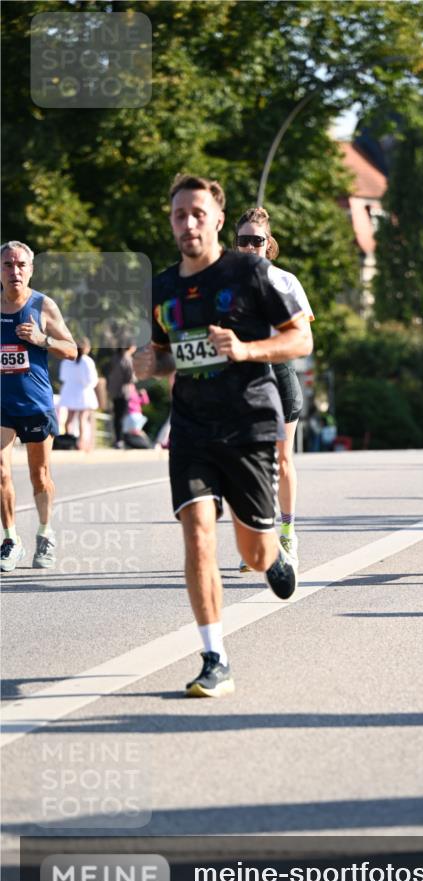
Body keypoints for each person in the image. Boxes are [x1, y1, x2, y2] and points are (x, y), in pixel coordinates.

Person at [133, 174, 312, 697]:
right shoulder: (162, 287)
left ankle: (273, 555)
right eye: (178, 215)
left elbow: (300, 337)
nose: (187, 224)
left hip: (248, 423)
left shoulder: (251, 273)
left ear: (216, 220)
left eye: (197, 214)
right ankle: (215, 656)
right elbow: (165, 352)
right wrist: (151, 361)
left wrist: (246, 349)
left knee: (253, 554)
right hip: (190, 426)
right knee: (197, 534)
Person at [234, 206, 314, 571]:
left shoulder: (285, 281)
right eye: (244, 241)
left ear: (269, 244)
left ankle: (287, 535)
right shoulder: (223, 286)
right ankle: (257, 538)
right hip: (241, 378)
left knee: (281, 460)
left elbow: (303, 339)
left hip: (278, 374)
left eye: (257, 241)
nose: (250, 247)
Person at [1, 240, 77, 572]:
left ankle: (45, 533)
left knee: (39, 475)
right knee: (1, 472)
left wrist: (41, 340)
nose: (14, 271)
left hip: (35, 404)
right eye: (8, 264)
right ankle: (10, 538)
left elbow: (72, 349)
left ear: (31, 269)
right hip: (2, 404)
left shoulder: (43, 305)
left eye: (21, 265)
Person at [58, 336, 99, 451]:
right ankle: (81, 443)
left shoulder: (66, 360)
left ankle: (68, 440)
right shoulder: (87, 361)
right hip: (83, 392)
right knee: (83, 418)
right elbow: (92, 380)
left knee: (69, 418)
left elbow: (62, 376)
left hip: (69, 391)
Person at [107, 343, 136, 449]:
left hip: (114, 391)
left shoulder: (114, 358)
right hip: (124, 392)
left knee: (117, 417)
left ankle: (117, 439)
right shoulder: (128, 359)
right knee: (123, 416)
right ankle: (123, 439)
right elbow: (131, 378)